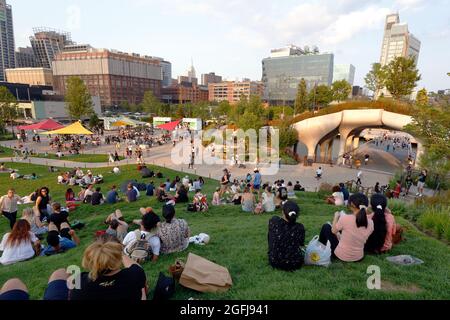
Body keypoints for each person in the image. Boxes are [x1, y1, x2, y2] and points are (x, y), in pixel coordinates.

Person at [69, 238, 148, 300]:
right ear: (118, 258)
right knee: (141, 287)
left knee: (59, 273)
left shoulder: (80, 281)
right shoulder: (135, 274)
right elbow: (136, 267)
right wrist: (120, 253)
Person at [318, 193, 374, 262]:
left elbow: (333, 231)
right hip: (358, 257)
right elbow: (356, 235)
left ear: (352, 204)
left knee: (326, 226)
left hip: (340, 256)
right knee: (341, 232)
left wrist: (336, 217)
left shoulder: (346, 218)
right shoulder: (371, 223)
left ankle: (320, 248)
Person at [268, 201, 305, 271]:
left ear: (283, 212)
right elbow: (301, 243)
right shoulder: (300, 227)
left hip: (275, 261)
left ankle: (273, 250)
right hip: (294, 262)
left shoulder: (274, 221)